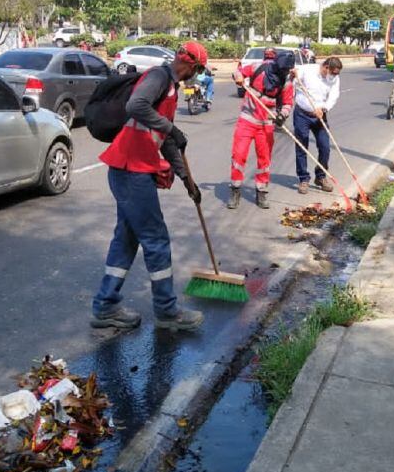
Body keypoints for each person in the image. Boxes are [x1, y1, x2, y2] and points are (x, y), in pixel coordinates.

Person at [91, 41, 209, 332]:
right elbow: (136, 105)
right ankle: (167, 311)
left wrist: (187, 181)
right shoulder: (158, 77)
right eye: (199, 69)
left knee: (126, 240)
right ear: (191, 65)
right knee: (156, 241)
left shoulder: (171, 89)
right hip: (130, 171)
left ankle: (106, 306)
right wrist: (171, 127)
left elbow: (168, 143)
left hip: (130, 170)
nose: (197, 74)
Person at [228, 48, 295, 210]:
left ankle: (262, 191)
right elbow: (239, 72)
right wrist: (239, 78)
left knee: (264, 160)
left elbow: (287, 103)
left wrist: (282, 115)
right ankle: (235, 190)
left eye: (287, 70)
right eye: (283, 69)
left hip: (266, 123)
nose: (285, 72)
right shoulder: (258, 67)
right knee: (239, 156)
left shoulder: (286, 80)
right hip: (247, 120)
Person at [292, 57, 342, 194]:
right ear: (325, 67)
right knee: (302, 146)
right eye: (332, 72)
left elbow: (334, 95)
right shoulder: (307, 70)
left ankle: (320, 176)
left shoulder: (334, 78)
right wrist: (293, 74)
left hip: (320, 115)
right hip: (302, 114)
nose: (333, 76)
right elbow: (292, 76)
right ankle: (303, 179)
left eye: (336, 74)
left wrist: (324, 108)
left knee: (325, 147)